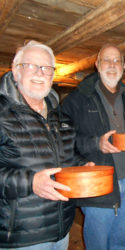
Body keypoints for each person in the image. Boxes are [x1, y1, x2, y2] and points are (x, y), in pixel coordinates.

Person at [0, 40, 94, 249]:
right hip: (21, 236)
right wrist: (31, 182)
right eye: (31, 65)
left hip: (61, 229)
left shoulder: (61, 116)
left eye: (47, 68)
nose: (40, 73)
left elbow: (69, 155)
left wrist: (82, 165)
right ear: (16, 71)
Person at [62, 44, 125, 250]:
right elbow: (62, 140)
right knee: (98, 246)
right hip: (97, 183)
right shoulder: (77, 99)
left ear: (123, 65)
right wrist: (95, 143)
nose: (112, 65)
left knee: (119, 243)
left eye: (116, 60)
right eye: (106, 60)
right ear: (97, 65)